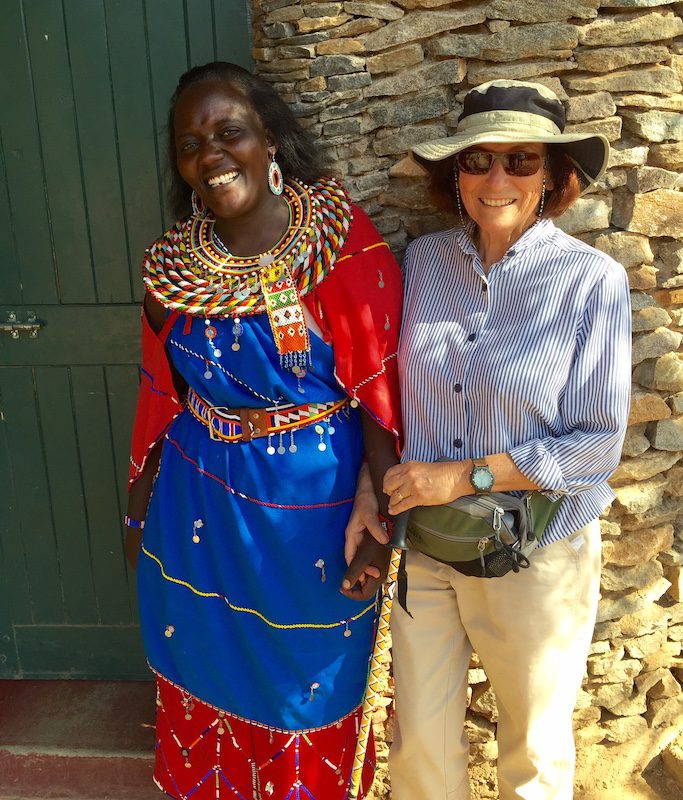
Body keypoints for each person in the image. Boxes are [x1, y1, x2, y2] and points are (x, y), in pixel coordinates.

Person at [124, 61, 402, 800]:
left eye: (229, 132)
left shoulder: (341, 240)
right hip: (197, 509)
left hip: (310, 518)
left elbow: (379, 388)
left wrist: (377, 511)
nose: (210, 154)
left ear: (270, 139)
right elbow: (162, 395)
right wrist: (136, 507)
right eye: (191, 144)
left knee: (305, 688)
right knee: (202, 671)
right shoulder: (170, 271)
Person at [371, 80, 631, 799]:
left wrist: (459, 477)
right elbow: (380, 393)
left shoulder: (589, 284)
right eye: (477, 159)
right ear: (452, 174)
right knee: (417, 742)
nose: (496, 179)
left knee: (532, 751)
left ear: (552, 178)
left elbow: (595, 446)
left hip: (536, 555)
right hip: (425, 547)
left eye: (520, 161)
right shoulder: (420, 264)